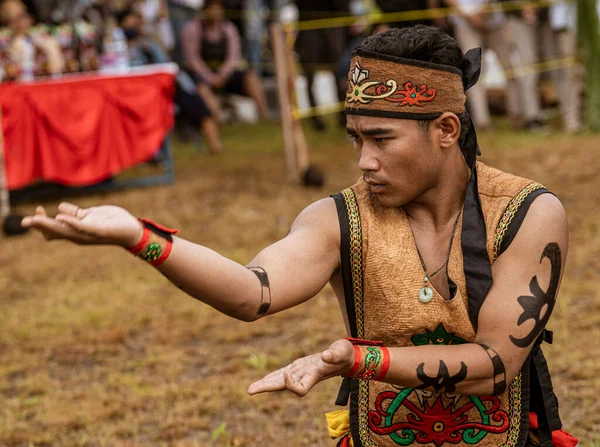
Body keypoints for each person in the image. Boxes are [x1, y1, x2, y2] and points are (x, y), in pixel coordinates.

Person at [21, 25, 575, 447]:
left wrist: (360, 360)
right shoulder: (338, 218)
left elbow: (495, 365)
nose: (364, 162)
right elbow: (250, 291)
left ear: (447, 130)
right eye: (356, 139)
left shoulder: (527, 212)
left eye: (381, 139)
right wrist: (139, 237)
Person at [118, 8, 223, 153]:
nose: (135, 24)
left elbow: (167, 61)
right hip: (141, 92)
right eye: (130, 21)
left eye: (137, 20)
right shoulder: (120, 48)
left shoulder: (150, 41)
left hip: (167, 85)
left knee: (194, 100)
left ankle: (214, 143)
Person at [502, 0, 583, 133]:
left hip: (548, 17)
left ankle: (571, 119)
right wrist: (520, 5)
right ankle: (533, 119)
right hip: (518, 17)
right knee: (529, 67)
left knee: (559, 67)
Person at [181, 0, 269, 121]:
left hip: (225, 74)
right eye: (211, 9)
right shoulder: (192, 28)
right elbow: (193, 59)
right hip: (203, 76)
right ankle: (216, 121)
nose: (214, 13)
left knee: (251, 78)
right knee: (202, 89)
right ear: (204, 11)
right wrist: (211, 78)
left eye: (217, 9)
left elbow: (233, 57)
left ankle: (264, 117)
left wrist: (222, 75)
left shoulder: (229, 28)